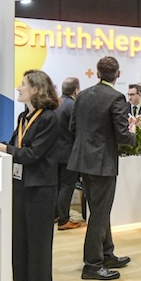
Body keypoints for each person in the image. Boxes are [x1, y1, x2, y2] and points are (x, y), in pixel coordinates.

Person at [0, 70, 59, 281]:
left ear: (36, 89)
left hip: (40, 190)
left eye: (23, 84)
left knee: (38, 248)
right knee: (20, 244)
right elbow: (17, 146)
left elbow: (33, 154)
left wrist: (0, 147)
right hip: (20, 187)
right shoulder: (24, 117)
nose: (18, 88)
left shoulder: (49, 118)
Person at [68, 56, 137, 280]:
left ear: (97, 73)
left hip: (83, 161)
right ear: (118, 74)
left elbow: (72, 127)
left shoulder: (82, 95)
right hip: (102, 163)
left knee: (99, 210)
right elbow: (123, 135)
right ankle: (92, 264)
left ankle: (107, 254)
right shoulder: (116, 97)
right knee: (99, 213)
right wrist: (135, 134)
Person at [55, 77, 82, 231]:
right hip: (69, 154)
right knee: (67, 187)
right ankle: (64, 220)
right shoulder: (73, 106)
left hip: (55, 153)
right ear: (76, 90)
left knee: (58, 186)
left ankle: (56, 215)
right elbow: (76, 129)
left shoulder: (56, 104)